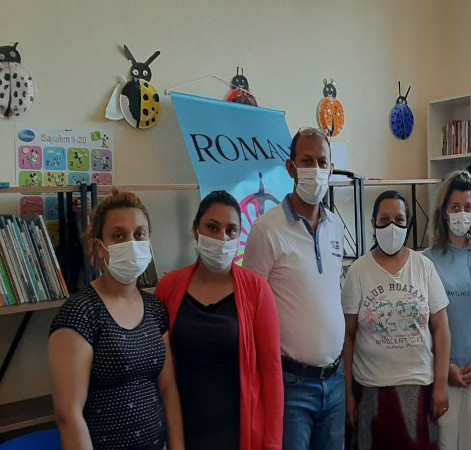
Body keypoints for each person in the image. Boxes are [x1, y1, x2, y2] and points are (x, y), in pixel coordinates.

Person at [48, 189, 184, 450]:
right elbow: (68, 414)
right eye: (119, 236)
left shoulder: (155, 308)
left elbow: (168, 390)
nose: (131, 243)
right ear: (100, 247)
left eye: (139, 234)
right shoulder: (80, 313)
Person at [243, 127, 346, 450]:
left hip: (335, 380)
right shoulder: (266, 230)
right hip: (291, 386)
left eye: (322, 162)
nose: (315, 169)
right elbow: (250, 312)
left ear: (331, 168)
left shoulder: (335, 226)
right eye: (307, 161)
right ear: (291, 168)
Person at [155, 190, 283, 449]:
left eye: (231, 231)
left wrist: (272, 444)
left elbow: (271, 371)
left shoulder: (256, 290)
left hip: (238, 433)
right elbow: (157, 367)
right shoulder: (169, 287)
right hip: (183, 433)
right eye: (212, 228)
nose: (222, 239)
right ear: (196, 230)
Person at [342, 190, 451, 450]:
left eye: (399, 220)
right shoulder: (358, 271)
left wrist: (441, 383)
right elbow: (347, 336)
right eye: (384, 220)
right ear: (373, 223)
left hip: (419, 387)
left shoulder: (424, 267)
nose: (392, 226)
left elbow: (441, 329)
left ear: (408, 223)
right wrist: (347, 393)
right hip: (371, 390)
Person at [422, 170, 471, 450]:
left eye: (468, 207)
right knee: (444, 444)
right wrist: (444, 367)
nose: (462, 214)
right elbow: (423, 323)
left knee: (470, 444)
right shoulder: (427, 260)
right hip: (442, 372)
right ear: (444, 212)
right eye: (455, 207)